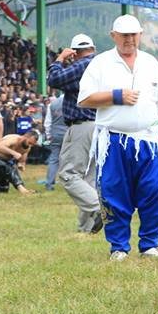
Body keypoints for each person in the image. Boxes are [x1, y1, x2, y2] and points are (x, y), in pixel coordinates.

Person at [78, 15, 158, 261]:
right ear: (113, 36)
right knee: (114, 192)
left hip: (149, 141)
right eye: (124, 35)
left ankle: (150, 245)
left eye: (133, 34)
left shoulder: (151, 63)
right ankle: (119, 248)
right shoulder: (100, 63)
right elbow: (84, 99)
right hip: (114, 140)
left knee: (153, 191)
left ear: (140, 35)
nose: (129, 40)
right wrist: (115, 96)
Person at [47, 33, 102, 234]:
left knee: (69, 174)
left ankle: (99, 209)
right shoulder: (99, 65)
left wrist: (60, 59)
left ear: (75, 51)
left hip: (83, 125)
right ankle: (87, 228)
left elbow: (54, 79)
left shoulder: (83, 64)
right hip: (98, 125)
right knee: (88, 178)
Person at [43, 94, 66, 191]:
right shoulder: (73, 102)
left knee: (54, 159)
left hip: (55, 134)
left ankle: (49, 183)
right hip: (69, 133)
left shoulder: (52, 104)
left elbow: (48, 122)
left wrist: (48, 135)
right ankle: (69, 182)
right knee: (70, 159)